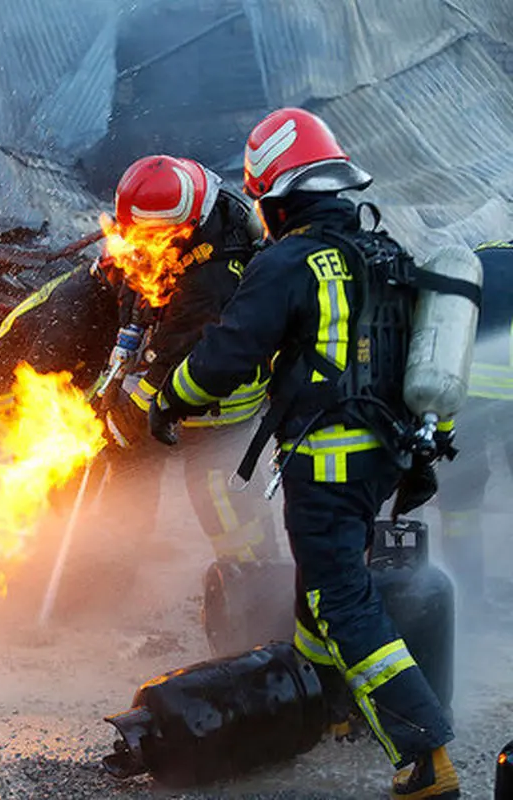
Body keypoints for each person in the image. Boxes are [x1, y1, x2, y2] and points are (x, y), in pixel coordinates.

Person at [148, 107, 457, 798]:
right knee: (316, 592)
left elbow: (229, 352)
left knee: (340, 596)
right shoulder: (380, 251)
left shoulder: (289, 260)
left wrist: (171, 397)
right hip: (382, 455)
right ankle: (328, 710)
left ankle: (425, 755)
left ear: (279, 197)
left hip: (329, 459)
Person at [0, 154, 275, 564]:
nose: (140, 246)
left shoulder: (215, 276)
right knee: (131, 467)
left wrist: (133, 411)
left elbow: (176, 349)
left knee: (214, 488)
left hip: (220, 400)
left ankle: (255, 577)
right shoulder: (173, 229)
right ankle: (115, 560)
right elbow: (130, 283)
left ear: (185, 225)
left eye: (152, 238)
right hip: (171, 365)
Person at [435, 239, 513, 618]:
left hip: (460, 398)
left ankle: (468, 592)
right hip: (509, 398)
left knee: (460, 506)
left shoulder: (476, 260)